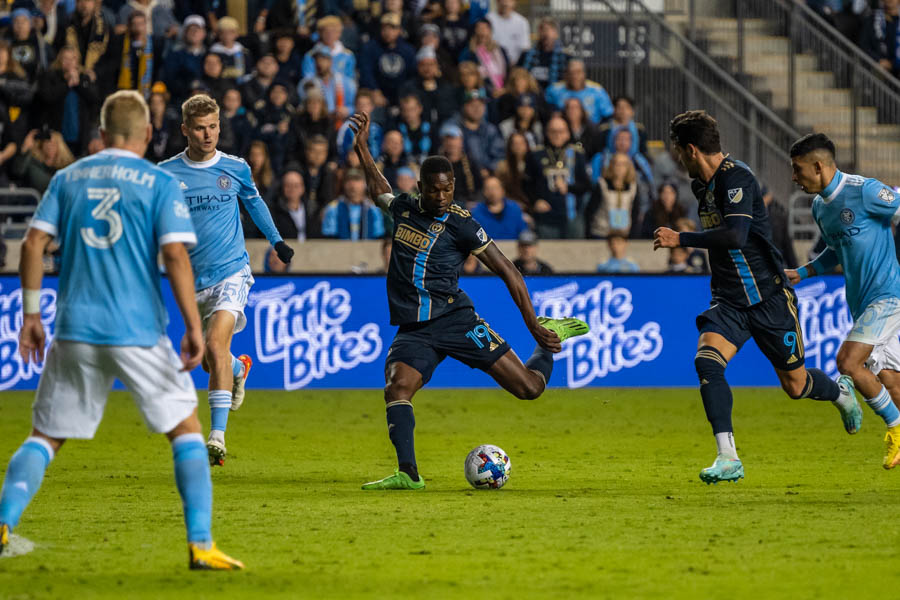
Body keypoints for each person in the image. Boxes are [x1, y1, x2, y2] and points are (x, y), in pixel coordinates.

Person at [0, 90, 243, 569]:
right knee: (188, 432)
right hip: (137, 330)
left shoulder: (68, 178)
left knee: (44, 436)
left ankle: (5, 523)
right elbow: (175, 256)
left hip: (74, 327)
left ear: (101, 134)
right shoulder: (157, 182)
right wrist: (194, 327)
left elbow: (31, 246)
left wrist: (31, 317)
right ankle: (200, 544)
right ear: (148, 134)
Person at [348, 111, 589, 490]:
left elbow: (509, 270)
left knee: (529, 389)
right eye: (434, 190)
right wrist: (363, 150)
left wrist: (534, 325)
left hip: (456, 320)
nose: (442, 197)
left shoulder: (463, 224)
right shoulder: (405, 209)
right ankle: (408, 475)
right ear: (421, 187)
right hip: (415, 328)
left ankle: (550, 342)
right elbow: (380, 189)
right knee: (397, 387)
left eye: (448, 189)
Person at [653, 111, 857, 484]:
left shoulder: (738, 178)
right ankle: (728, 457)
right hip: (729, 302)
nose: (679, 159)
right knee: (707, 363)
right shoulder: (702, 185)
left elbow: (736, 236)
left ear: (692, 149)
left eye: (680, 152)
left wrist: (680, 238)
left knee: (796, 387)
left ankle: (841, 394)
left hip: (769, 299)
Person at [159, 94, 295, 467]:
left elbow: (254, 203)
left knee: (215, 346)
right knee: (211, 359)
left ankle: (216, 437)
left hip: (233, 271)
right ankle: (238, 369)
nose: (208, 135)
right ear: (185, 129)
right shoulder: (166, 174)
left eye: (214, 127)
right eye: (200, 128)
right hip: (194, 281)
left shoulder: (235, 168)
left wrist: (277, 241)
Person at [787, 133, 900, 469]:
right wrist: (803, 272)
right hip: (862, 305)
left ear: (818, 166)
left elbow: (895, 204)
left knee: (849, 363)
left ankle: (896, 429)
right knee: (891, 380)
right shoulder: (821, 207)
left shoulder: (863, 191)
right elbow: (834, 250)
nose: (794, 177)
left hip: (887, 297)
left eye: (798, 169)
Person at [525, 115, 590, 239]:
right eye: (553, 131)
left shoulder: (577, 154)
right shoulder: (536, 154)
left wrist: (569, 188)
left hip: (572, 215)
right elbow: (527, 184)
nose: (557, 135)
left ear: (568, 133)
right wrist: (535, 201)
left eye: (561, 131)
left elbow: (586, 185)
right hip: (546, 217)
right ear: (547, 133)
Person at [359, 13, 416, 107]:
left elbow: (412, 75)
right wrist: (374, 90)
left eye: (393, 28)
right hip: (377, 95)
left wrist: (405, 95)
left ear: (399, 30)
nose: (388, 32)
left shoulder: (408, 50)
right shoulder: (370, 48)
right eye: (385, 28)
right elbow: (366, 72)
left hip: (402, 96)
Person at [321, 169, 386, 240]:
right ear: (344, 184)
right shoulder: (333, 208)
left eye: (357, 180)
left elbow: (378, 237)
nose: (353, 185)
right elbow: (329, 237)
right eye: (348, 181)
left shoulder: (373, 209)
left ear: (365, 184)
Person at [298, 43, 356, 121]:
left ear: (330, 61)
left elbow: (355, 105)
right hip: (317, 123)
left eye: (323, 59)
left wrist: (347, 110)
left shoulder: (345, 82)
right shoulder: (308, 83)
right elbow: (303, 106)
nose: (319, 63)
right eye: (316, 59)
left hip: (341, 122)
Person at [454, 87, 505, 174]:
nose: (477, 109)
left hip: (490, 176)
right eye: (472, 105)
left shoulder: (490, 129)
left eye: (480, 105)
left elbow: (499, 156)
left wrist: (489, 170)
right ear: (464, 107)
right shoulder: (455, 130)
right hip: (464, 176)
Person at [545, 59, 613, 124]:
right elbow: (547, 112)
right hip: (564, 132)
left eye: (578, 72)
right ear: (566, 74)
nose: (574, 76)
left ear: (584, 73)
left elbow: (608, 116)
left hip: (593, 131)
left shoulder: (597, 90)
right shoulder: (554, 90)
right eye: (571, 73)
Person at [517, 17, 569, 89]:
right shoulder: (526, 55)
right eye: (541, 29)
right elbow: (517, 76)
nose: (545, 33)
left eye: (548, 29)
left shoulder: (564, 57)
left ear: (556, 33)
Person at [269, 166, 319, 240]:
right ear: (282, 187)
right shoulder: (274, 213)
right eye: (288, 185)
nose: (292, 189)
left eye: (296, 186)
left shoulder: (312, 210)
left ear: (303, 188)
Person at [762, 183, 798, 268]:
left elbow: (787, 247)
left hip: (775, 265)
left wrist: (796, 270)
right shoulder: (751, 217)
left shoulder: (779, 218)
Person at [486, 0, 530, 65]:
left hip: (515, 66)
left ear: (514, 2)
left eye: (509, 0)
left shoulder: (522, 22)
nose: (505, 3)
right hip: (492, 66)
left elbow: (524, 48)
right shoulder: (488, 19)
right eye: (502, 0)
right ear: (497, 2)